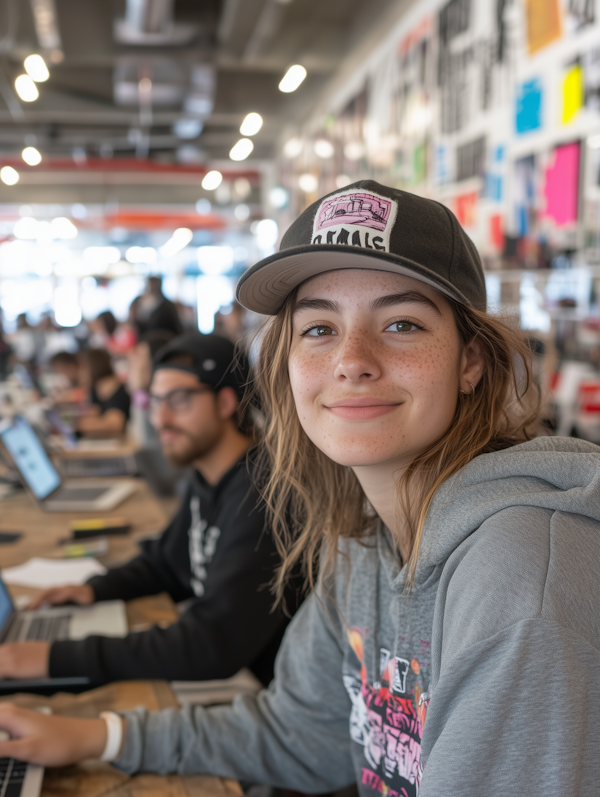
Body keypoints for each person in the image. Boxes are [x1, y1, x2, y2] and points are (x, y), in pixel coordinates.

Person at [2, 181, 600, 795]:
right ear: (286, 363)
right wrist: (101, 737)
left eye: (401, 323)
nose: (353, 360)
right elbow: (301, 734)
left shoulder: (524, 581)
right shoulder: (366, 540)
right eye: (318, 329)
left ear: (470, 361)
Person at [0, 332, 298, 687]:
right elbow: (167, 562)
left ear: (225, 403)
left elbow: (210, 644)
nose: (161, 419)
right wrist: (95, 590)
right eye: (155, 401)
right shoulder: (210, 475)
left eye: (179, 399)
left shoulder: (265, 495)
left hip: (263, 691)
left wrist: (55, 658)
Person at [78, 348, 130, 436]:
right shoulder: (96, 388)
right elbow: (93, 412)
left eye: (82, 367)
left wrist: (75, 425)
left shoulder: (112, 387)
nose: (79, 372)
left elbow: (115, 425)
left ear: (93, 367)